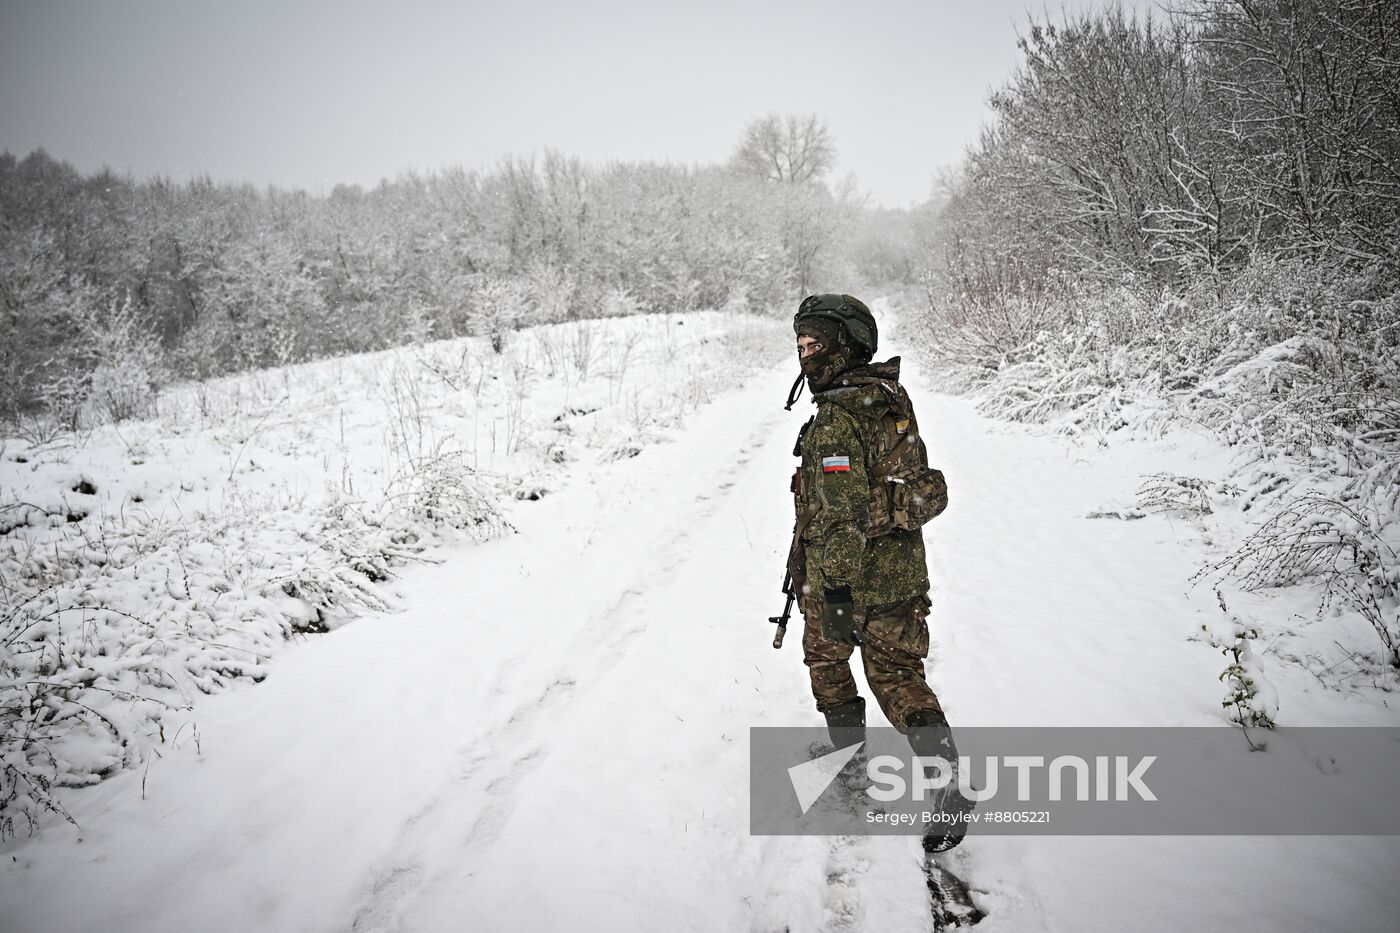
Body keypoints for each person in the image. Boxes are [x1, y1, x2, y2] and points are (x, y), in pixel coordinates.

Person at [783, 293, 968, 851]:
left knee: (826, 658)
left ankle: (847, 758)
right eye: (800, 346)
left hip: (846, 578)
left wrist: (834, 590)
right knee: (898, 676)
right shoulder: (887, 396)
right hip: (901, 576)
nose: (806, 356)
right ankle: (949, 781)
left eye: (815, 345)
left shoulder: (837, 420)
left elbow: (839, 518)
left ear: (845, 345)